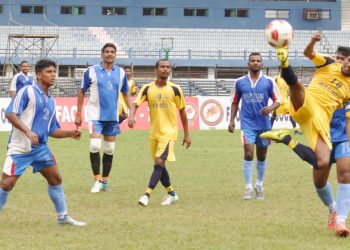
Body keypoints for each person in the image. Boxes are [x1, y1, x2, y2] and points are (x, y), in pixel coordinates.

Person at [260, 34, 350, 236]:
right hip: (310, 105)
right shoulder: (329, 64)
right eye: (343, 59)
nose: (343, 62)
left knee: (334, 169)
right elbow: (309, 53)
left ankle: (340, 221)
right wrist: (313, 42)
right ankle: (284, 59)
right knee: (297, 85)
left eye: (345, 58)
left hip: (333, 130)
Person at [0, 59, 86, 226]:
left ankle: (63, 217)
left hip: (40, 149)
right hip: (20, 149)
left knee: (55, 178)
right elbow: (10, 114)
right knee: (7, 183)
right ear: (39, 75)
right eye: (49, 72)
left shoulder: (51, 101)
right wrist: (27, 130)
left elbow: (51, 130)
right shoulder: (27, 92)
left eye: (54, 72)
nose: (53, 75)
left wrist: (70, 133)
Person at [128, 59, 191, 207]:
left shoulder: (175, 89)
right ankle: (172, 194)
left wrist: (187, 134)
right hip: (154, 133)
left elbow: (182, 111)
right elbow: (135, 103)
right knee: (159, 165)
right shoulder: (147, 88)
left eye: (168, 67)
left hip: (169, 133)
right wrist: (131, 116)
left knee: (159, 162)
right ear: (156, 70)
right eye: (162, 67)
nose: (165, 69)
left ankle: (146, 195)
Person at [75, 43, 131, 193]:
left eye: (112, 52)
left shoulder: (120, 73)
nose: (109, 54)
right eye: (106, 52)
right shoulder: (91, 71)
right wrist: (78, 114)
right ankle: (97, 180)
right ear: (102, 54)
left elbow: (126, 93)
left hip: (112, 117)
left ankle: (105, 181)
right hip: (94, 115)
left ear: (115, 55)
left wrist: (132, 112)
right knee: (94, 145)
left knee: (110, 149)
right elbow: (81, 91)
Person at [228, 52, 281, 200]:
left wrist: (271, 107)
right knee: (249, 153)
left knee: (262, 155)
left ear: (262, 64)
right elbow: (234, 102)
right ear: (248, 64)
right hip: (247, 124)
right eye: (253, 61)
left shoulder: (269, 81)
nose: (255, 63)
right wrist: (232, 120)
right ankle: (248, 187)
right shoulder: (239, 82)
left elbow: (278, 100)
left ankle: (259, 185)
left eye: (258, 61)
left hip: (264, 125)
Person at [270, 69, 302, 134]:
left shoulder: (287, 80)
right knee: (274, 116)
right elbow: (272, 88)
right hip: (278, 100)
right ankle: (268, 130)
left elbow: (289, 90)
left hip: (285, 101)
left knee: (291, 114)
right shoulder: (276, 78)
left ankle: (295, 130)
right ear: (280, 71)